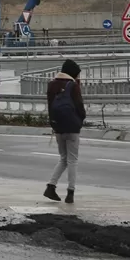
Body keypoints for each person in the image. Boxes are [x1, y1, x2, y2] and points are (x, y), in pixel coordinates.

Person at [44, 58, 85, 204]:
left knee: (63, 158)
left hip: (58, 127)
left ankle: (51, 186)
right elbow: (79, 106)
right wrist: (80, 120)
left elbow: (50, 106)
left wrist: (54, 125)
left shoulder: (52, 84)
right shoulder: (72, 86)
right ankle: (70, 192)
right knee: (72, 160)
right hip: (72, 128)